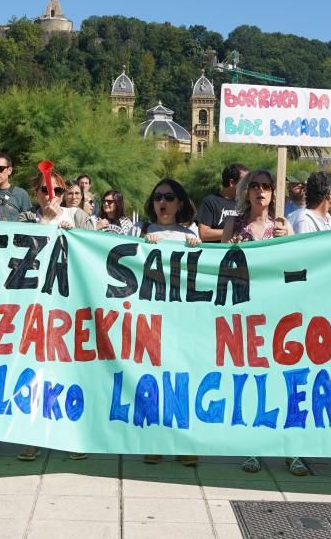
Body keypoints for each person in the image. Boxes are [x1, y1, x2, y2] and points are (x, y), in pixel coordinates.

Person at [219, 169, 304, 475]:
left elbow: (297, 265)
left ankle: (290, 449)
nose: (260, 191)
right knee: (250, 380)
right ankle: (252, 447)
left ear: (273, 192)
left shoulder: (283, 226)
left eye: (266, 186)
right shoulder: (234, 225)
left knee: (283, 380)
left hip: (277, 314)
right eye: (254, 186)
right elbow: (221, 265)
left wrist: (288, 240)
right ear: (246, 191)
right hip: (245, 312)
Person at [16, 166, 87, 460]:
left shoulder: (78, 217)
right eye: (46, 190)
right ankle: (34, 435)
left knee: (70, 368)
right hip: (34, 307)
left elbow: (99, 256)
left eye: (57, 191)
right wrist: (44, 223)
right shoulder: (26, 218)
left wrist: (79, 237)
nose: (52, 196)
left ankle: (72, 436)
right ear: (36, 193)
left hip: (69, 306)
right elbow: (17, 254)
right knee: (35, 370)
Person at [142, 177, 200, 467]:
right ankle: (155, 441)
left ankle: (183, 442)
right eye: (157, 197)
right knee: (153, 379)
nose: (162, 202)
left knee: (181, 379)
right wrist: (141, 244)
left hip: (182, 320)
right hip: (151, 318)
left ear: (179, 203)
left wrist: (197, 247)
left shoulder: (189, 234)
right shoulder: (142, 231)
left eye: (168, 197)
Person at [196, 162, 248, 242]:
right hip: (217, 253)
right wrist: (234, 232)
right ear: (232, 183)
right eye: (244, 182)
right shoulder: (210, 201)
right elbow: (204, 234)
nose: (247, 186)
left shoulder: (246, 203)